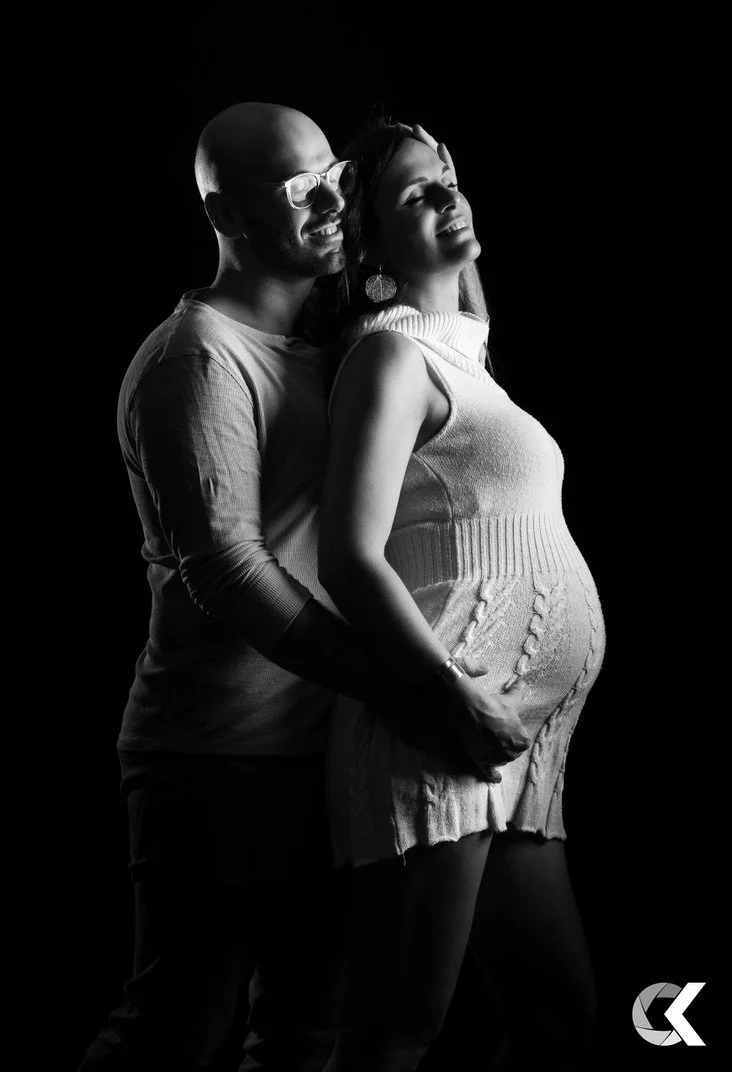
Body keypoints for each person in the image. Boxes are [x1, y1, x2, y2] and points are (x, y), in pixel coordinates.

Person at [75, 102, 526, 1072]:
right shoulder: (197, 360)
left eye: (337, 178)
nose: (331, 202)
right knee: (174, 1028)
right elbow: (231, 573)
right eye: (299, 189)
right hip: (217, 760)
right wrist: (417, 686)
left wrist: (438, 177)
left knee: (303, 1037)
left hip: (325, 751)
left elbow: (460, 326)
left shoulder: (336, 345)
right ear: (228, 218)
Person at [315, 120, 606, 1072]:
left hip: (515, 751)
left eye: (447, 178)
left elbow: (468, 317)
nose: (448, 197)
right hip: (441, 730)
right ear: (370, 253)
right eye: (415, 195)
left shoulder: (466, 360)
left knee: (559, 1021)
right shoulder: (390, 359)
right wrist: (452, 691)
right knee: (396, 1040)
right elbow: (350, 559)